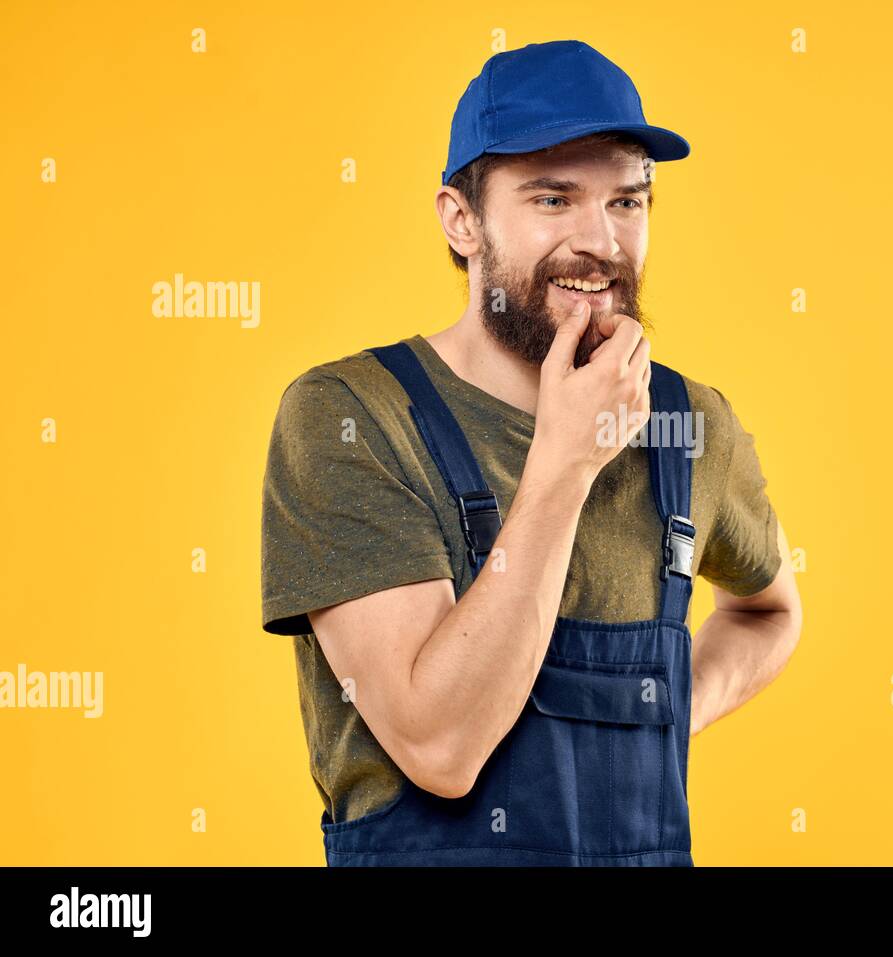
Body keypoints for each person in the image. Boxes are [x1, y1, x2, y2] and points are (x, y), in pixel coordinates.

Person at [260, 39, 803, 866]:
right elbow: (439, 747)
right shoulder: (351, 419)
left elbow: (772, 612)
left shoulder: (687, 422)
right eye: (554, 198)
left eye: (627, 201)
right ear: (461, 219)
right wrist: (569, 458)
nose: (602, 242)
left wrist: (656, 710)